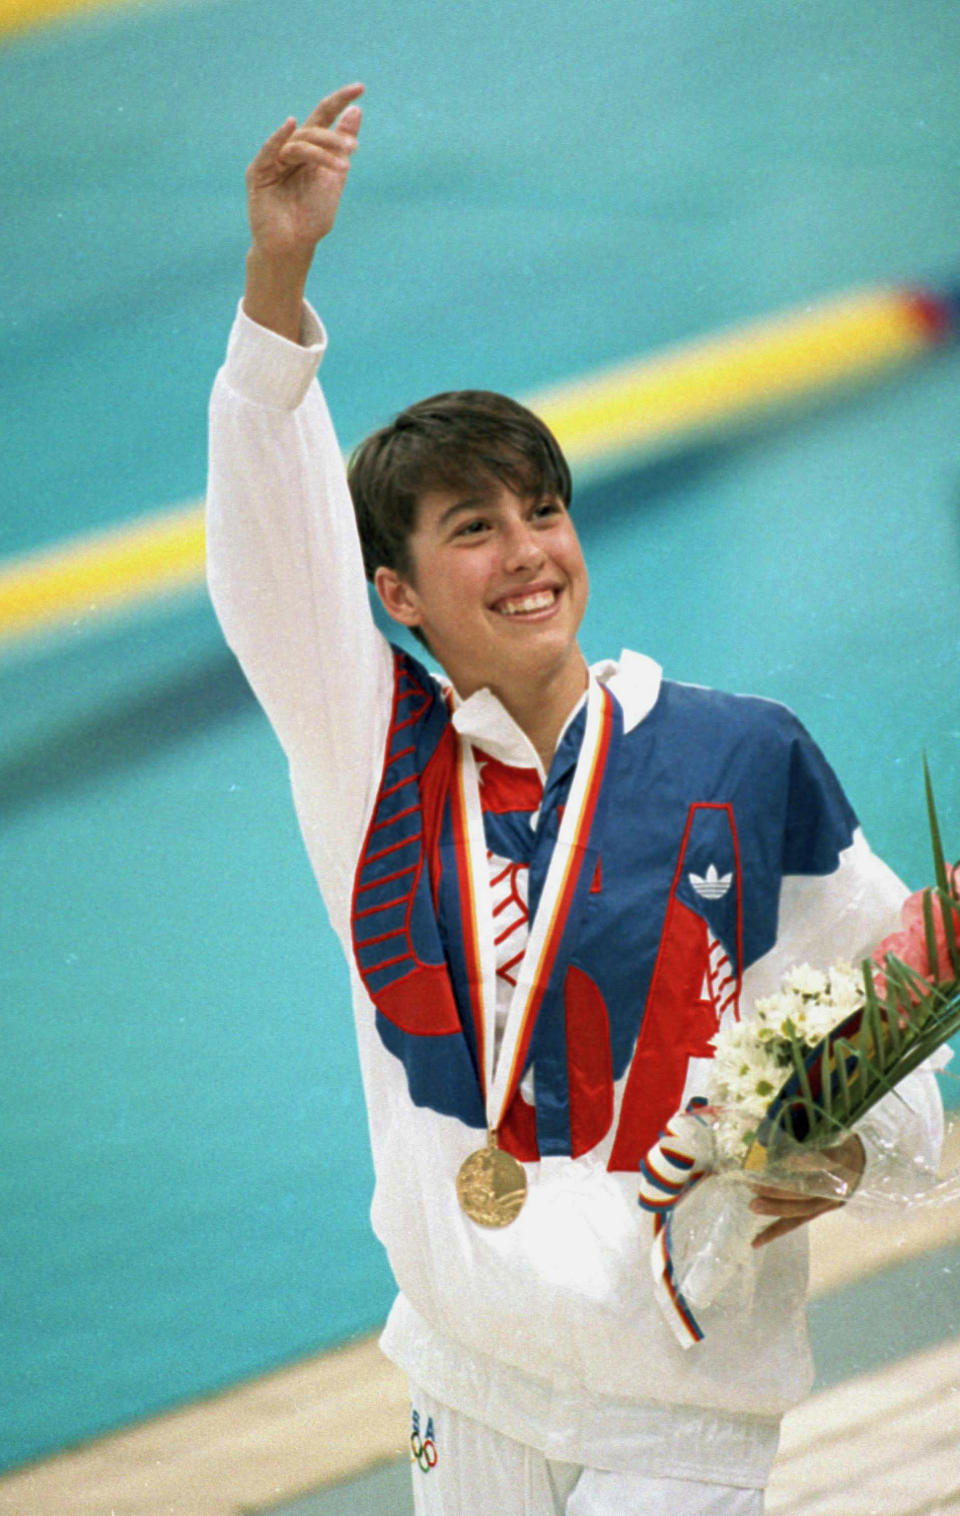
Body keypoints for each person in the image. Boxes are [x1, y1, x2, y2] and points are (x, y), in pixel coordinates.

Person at [206, 84, 944, 1516]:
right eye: (471, 528)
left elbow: (900, 1032)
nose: (527, 550)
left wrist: (847, 1151)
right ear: (396, 594)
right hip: (465, 1379)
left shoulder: (745, 755)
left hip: (679, 1406)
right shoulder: (377, 760)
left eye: (543, 510)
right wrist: (277, 284)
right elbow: (268, 557)